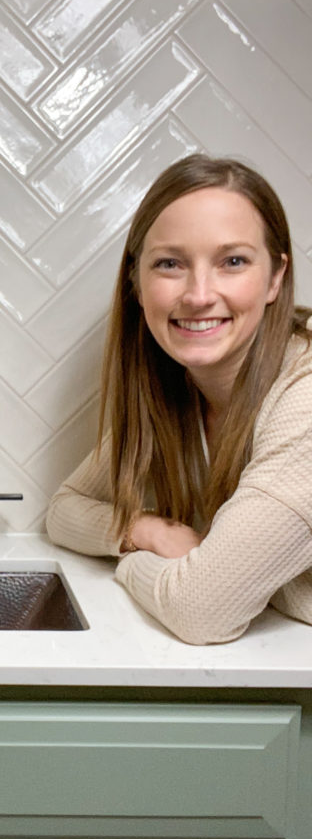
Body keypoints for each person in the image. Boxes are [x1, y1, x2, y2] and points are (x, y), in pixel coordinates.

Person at [46, 154, 312, 644]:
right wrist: (145, 531)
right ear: (137, 282)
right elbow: (66, 508)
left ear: (275, 278)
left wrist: (129, 564)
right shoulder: (181, 394)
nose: (198, 294)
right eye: (170, 264)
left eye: (233, 262)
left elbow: (201, 609)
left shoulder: (306, 398)